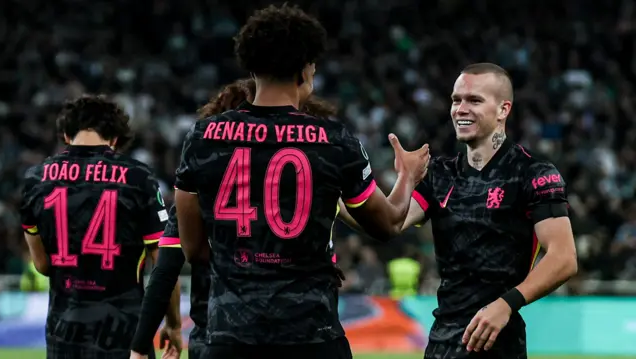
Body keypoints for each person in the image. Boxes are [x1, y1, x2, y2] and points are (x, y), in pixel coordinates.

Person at [174, 4, 430, 359]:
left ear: (250, 66)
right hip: (312, 334)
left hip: (230, 334)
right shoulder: (333, 139)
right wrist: (408, 176)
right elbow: (387, 223)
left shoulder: (204, 136)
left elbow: (194, 249)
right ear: (305, 70)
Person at [358, 63, 577, 358]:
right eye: (456, 100)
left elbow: (563, 258)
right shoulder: (440, 174)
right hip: (441, 343)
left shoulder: (533, 173)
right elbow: (386, 224)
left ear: (503, 110)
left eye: (474, 100)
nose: (461, 108)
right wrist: (340, 195)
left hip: (498, 342)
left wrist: (506, 303)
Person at [130, 79, 343, 359]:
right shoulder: (312, 193)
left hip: (219, 336)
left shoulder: (198, 199)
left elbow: (165, 272)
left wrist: (140, 347)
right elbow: (376, 219)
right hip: (303, 332)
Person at [19, 95, 179, 359]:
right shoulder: (139, 177)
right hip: (124, 333)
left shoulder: (35, 179)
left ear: (67, 136)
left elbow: (43, 266)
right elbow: (164, 263)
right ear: (115, 138)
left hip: (64, 335)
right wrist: (172, 323)